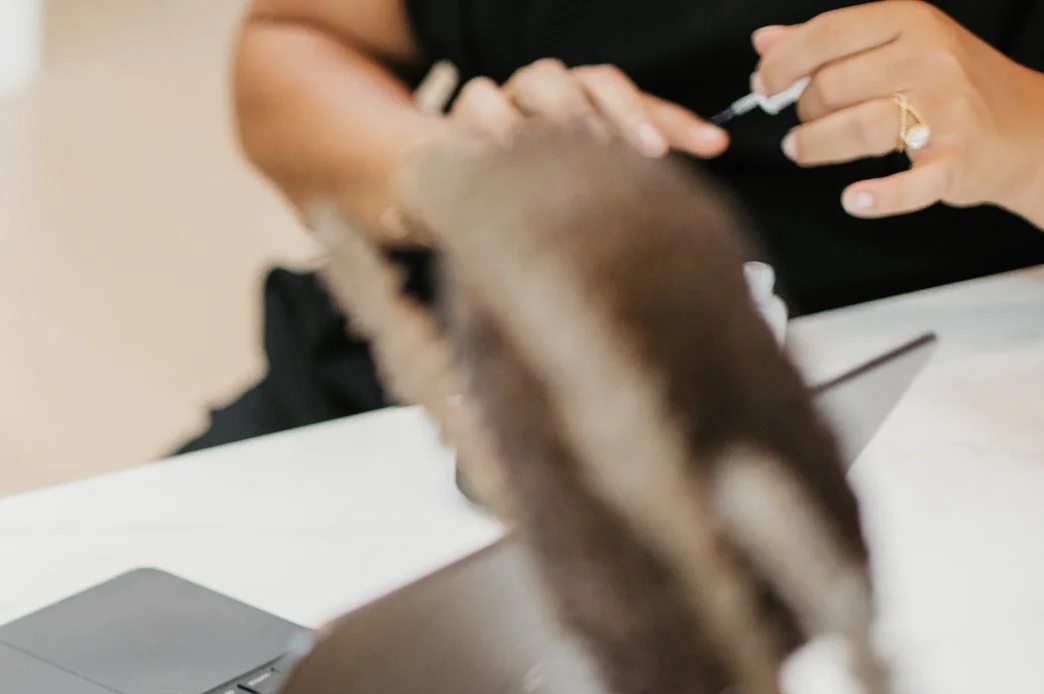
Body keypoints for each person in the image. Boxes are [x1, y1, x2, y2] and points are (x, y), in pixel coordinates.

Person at [177, 0, 1044, 452]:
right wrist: (446, 172)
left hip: (938, 427)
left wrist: (1022, 135)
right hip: (451, 398)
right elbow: (295, 39)